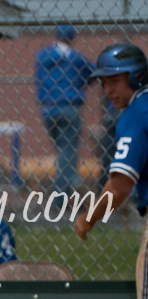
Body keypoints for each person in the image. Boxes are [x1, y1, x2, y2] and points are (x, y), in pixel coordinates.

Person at [74, 44, 148, 299]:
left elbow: (119, 185)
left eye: (115, 81)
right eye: (104, 83)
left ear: (136, 76)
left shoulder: (136, 112)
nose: (108, 90)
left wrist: (89, 218)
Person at [34, 25, 94, 194]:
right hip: (70, 106)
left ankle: (71, 182)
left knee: (62, 150)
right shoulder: (76, 58)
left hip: (48, 108)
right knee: (68, 151)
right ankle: (62, 193)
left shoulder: (43, 56)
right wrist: (80, 84)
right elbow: (93, 72)